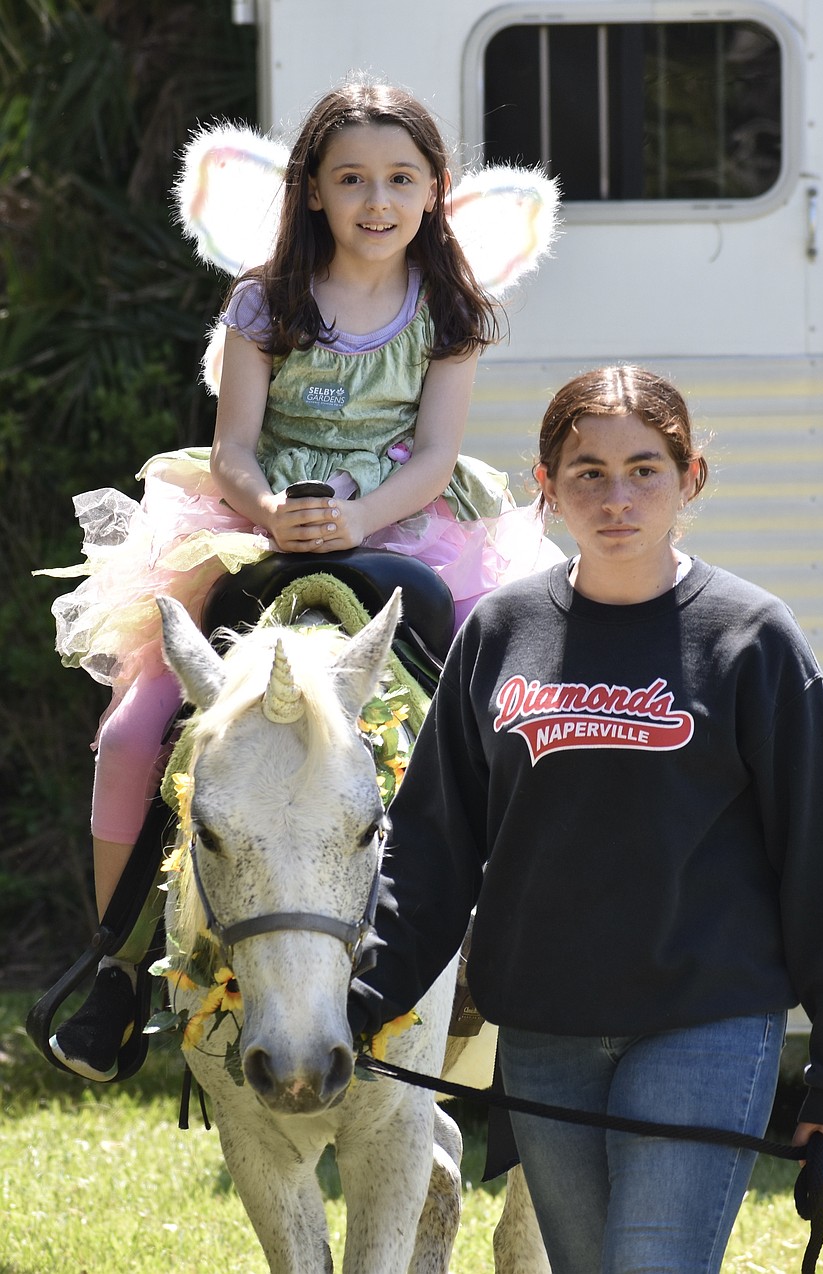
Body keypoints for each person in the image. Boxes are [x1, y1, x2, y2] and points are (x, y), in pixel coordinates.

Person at [44, 80, 561, 1081]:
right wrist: (276, 509)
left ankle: (503, 946)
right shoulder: (264, 295)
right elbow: (230, 443)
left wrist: (361, 518)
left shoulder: (451, 308)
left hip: (403, 521)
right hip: (256, 519)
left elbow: (434, 450)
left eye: (400, 179)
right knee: (131, 726)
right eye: (352, 179)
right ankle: (113, 967)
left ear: (432, 191)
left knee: (498, 712)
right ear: (313, 192)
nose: (377, 200)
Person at [347, 364, 823, 1272]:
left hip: (706, 1021)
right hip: (544, 1031)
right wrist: (351, 1009)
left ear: (689, 478)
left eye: (645, 469)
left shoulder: (752, 639)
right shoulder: (499, 634)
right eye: (588, 472)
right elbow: (431, 849)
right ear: (546, 487)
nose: (618, 497)